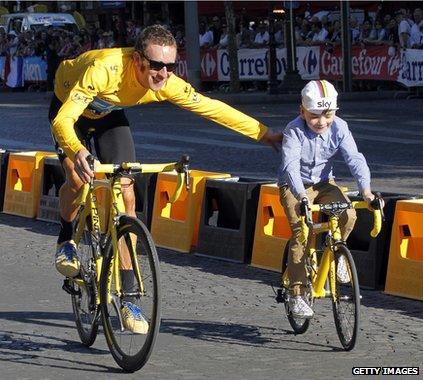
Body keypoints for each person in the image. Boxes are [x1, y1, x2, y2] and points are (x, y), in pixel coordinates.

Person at [49, 25, 282, 332]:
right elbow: (63, 120)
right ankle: (66, 239)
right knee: (77, 179)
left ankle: (129, 295)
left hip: (110, 115)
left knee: (126, 196)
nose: (163, 74)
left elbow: (211, 108)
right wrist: (77, 151)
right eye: (156, 65)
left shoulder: (166, 82)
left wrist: (265, 135)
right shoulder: (104, 69)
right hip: (70, 110)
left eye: (170, 66)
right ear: (137, 60)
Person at [278, 80, 377, 319]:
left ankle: (337, 252)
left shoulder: (340, 127)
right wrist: (301, 196)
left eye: (328, 114)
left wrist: (366, 191)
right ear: (302, 111)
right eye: (314, 116)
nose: (321, 122)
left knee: (348, 213)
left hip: (324, 183)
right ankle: (297, 294)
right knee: (301, 231)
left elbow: (355, 158)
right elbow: (290, 166)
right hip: (294, 185)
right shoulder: (293, 130)